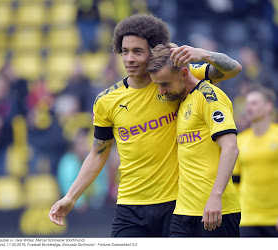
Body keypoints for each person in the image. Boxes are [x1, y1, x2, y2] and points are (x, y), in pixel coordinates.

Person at [49, 14, 242, 237]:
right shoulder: (106, 101)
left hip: (175, 204)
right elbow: (98, 152)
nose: (129, 58)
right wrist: (71, 196)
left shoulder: (171, 79)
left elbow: (233, 69)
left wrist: (203, 54)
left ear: (153, 51)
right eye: (124, 51)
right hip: (130, 205)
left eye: (137, 51)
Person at [147, 43, 241, 237]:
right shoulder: (181, 99)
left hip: (216, 210)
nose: (161, 91)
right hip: (183, 212)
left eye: (165, 84)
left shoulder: (209, 96)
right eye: (158, 85)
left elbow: (230, 148)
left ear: (183, 73)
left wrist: (215, 197)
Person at [232, 85, 278, 237]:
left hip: (274, 217)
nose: (248, 108)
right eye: (247, 103)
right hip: (248, 218)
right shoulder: (240, 141)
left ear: (268, 106)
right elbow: (235, 182)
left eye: (254, 103)